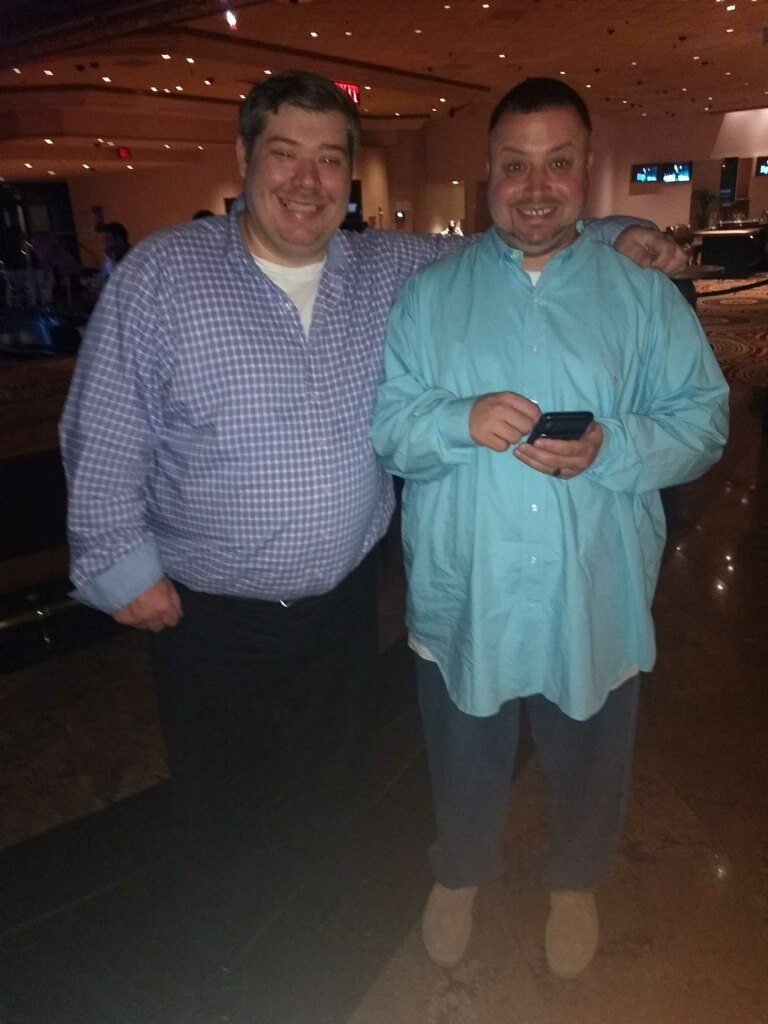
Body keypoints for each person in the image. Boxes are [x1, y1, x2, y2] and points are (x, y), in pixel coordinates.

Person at [60, 70, 687, 1011]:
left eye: (329, 159)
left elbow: (519, 236)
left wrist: (615, 232)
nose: (306, 180)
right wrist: (122, 565)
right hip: (208, 612)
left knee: (331, 792)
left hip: (346, 604)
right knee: (222, 803)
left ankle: (319, 943)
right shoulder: (164, 275)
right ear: (245, 157)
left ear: (351, 173)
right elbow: (102, 428)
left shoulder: (383, 268)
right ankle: (228, 969)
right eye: (285, 154)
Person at [370, 77, 728, 979]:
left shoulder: (642, 298)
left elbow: (704, 422)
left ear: (586, 168)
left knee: (592, 754)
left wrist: (613, 446)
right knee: (463, 752)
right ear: (488, 171)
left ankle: (577, 880)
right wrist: (456, 420)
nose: (536, 186)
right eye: (516, 164)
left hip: (591, 588)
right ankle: (460, 870)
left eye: (557, 163)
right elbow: (390, 431)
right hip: (470, 591)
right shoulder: (429, 297)